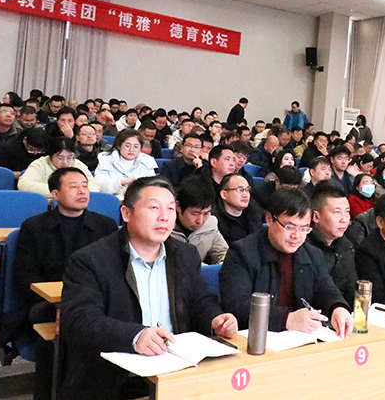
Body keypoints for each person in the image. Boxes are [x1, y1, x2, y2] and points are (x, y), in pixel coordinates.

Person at [60, 177, 237, 400]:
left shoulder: (185, 254)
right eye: (154, 208)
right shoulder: (90, 260)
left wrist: (215, 319)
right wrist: (135, 336)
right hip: (116, 377)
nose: (164, 217)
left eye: (170, 209)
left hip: (176, 371)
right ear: (126, 213)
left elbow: (199, 301)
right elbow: (79, 320)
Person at [15, 167, 118, 399]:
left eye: (85, 186)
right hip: (47, 303)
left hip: (95, 302)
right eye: (73, 187)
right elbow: (25, 278)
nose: (82, 191)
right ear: (55, 194)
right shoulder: (34, 227)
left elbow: (114, 273)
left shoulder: (107, 226)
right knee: (57, 330)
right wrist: (61, 303)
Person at [219, 189, 354, 336]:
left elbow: (325, 289)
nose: (297, 236)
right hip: (256, 338)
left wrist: (337, 307)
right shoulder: (242, 253)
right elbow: (236, 306)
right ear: (269, 219)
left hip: (302, 338)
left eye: (304, 229)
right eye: (290, 227)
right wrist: (286, 319)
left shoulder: (312, 254)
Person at [307, 183, 358, 307]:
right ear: (316, 217)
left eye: (347, 212)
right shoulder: (303, 249)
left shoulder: (347, 246)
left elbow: (352, 292)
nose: (344, 219)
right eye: (336, 212)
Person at [170, 176, 228, 264]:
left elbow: (222, 253)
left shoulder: (210, 225)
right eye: (195, 213)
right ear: (178, 207)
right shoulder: (164, 228)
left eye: (206, 213)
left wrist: (223, 263)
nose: (200, 221)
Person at [18, 137, 99, 198]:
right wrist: (61, 192)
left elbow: (94, 187)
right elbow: (24, 184)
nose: (65, 162)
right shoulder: (40, 164)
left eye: (70, 157)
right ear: (50, 156)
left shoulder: (77, 164)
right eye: (60, 158)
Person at [94, 128, 158, 195]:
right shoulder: (105, 160)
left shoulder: (147, 161)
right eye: (127, 146)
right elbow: (99, 185)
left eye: (136, 147)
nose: (131, 149)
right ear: (119, 146)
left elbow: (152, 186)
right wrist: (120, 182)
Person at [213, 173, 264, 247]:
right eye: (240, 190)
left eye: (247, 190)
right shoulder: (214, 220)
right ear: (224, 194)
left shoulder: (254, 213)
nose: (245, 195)